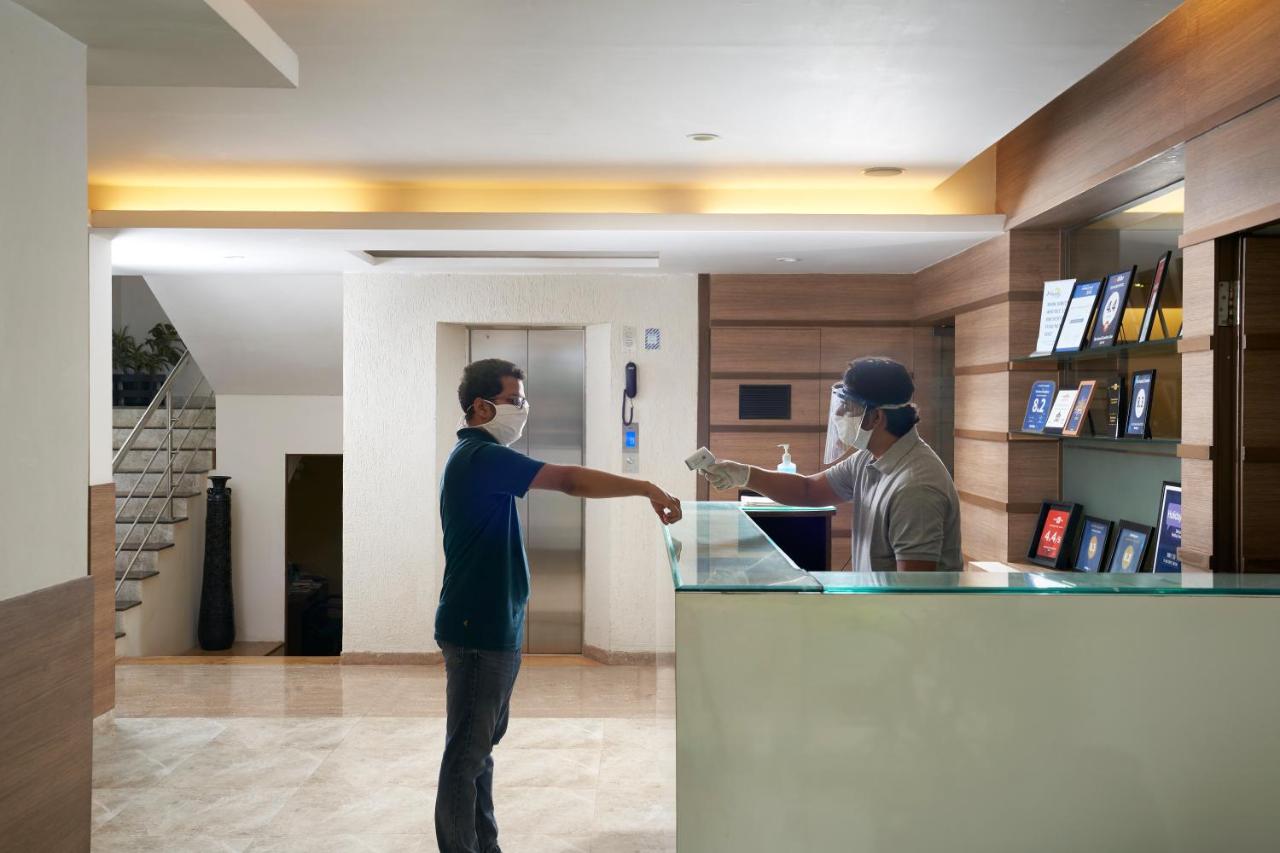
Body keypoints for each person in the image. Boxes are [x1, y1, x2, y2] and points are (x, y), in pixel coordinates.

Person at [434, 357, 682, 853]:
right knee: (466, 756)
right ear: (481, 407)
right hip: (476, 626)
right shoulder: (479, 455)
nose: (523, 410)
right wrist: (645, 487)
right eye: (514, 400)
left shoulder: (481, 457)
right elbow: (569, 480)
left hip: (492, 625)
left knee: (479, 751)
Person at [702, 356, 961, 572]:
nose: (838, 414)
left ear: (876, 417)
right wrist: (744, 475)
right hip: (881, 610)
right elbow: (808, 490)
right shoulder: (868, 458)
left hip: (906, 616)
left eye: (847, 407)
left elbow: (914, 590)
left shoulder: (915, 487)